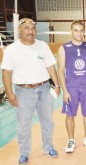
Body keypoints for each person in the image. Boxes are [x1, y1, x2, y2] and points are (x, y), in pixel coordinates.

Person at [2, 18, 60, 164]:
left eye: (33, 28)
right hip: (23, 91)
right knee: (23, 125)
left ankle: (48, 147)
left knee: (47, 121)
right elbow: (6, 73)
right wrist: (9, 93)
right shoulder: (11, 50)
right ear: (19, 30)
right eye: (27, 28)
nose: (31, 31)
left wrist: (57, 84)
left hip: (44, 89)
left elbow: (51, 66)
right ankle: (24, 153)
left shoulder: (42, 46)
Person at [58, 21, 86, 153]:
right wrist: (64, 90)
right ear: (71, 31)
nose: (79, 33)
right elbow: (61, 71)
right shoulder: (64, 48)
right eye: (76, 30)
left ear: (84, 31)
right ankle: (71, 140)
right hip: (71, 88)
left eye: (81, 30)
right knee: (70, 115)